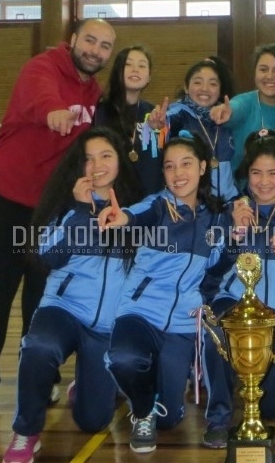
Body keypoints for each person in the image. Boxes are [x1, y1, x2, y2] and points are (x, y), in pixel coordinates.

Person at [0, 18, 116, 413]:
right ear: (73, 40)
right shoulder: (41, 67)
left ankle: (37, 375)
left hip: (51, 210)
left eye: (105, 46)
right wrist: (54, 112)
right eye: (90, 40)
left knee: (41, 298)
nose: (96, 50)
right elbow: (40, 96)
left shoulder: (93, 89)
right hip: (8, 202)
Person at [2, 126, 143, 463]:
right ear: (78, 166)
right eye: (88, 159)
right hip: (63, 310)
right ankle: (26, 432)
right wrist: (82, 213)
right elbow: (46, 257)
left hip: (107, 325)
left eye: (105, 156)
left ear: (120, 161)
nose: (97, 165)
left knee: (93, 422)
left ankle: (87, 386)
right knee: (39, 346)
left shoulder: (138, 209)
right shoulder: (66, 207)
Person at [98, 132, 229, 454]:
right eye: (169, 166)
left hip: (184, 320)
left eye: (185, 164)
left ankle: (189, 404)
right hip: (141, 310)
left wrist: (235, 238)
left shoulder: (217, 215)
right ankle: (142, 410)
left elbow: (218, 267)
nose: (177, 173)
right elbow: (136, 215)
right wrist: (122, 217)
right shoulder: (158, 206)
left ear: (202, 167)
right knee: (123, 360)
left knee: (170, 419)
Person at [200, 130, 275, 449]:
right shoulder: (229, 212)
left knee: (270, 408)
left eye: (273, 173)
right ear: (246, 173)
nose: (264, 181)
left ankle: (254, 381)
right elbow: (212, 269)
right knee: (216, 332)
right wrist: (233, 236)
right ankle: (218, 417)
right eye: (256, 172)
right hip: (233, 303)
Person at [146, 56, 237, 200]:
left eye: (213, 84)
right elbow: (164, 123)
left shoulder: (225, 117)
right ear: (186, 87)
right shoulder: (178, 113)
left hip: (226, 204)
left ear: (220, 89)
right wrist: (157, 125)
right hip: (192, 205)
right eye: (197, 82)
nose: (205, 89)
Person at [210, 44, 275, 171]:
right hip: (240, 188)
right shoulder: (245, 102)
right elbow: (236, 108)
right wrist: (227, 112)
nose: (269, 76)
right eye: (263, 69)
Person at [94, 45, 164, 195]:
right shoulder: (100, 111)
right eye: (128, 64)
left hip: (149, 201)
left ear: (149, 77)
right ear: (118, 71)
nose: (135, 69)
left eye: (142, 65)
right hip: (112, 198)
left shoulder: (154, 113)